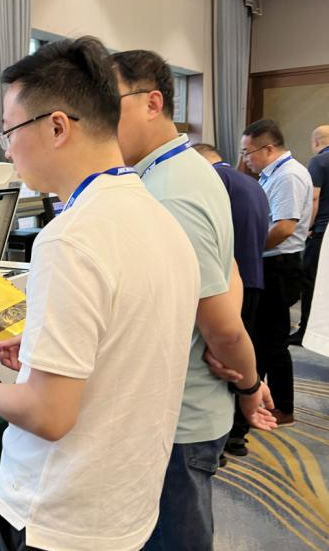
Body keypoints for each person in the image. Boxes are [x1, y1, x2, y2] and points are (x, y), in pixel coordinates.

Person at [0, 36, 201, 551]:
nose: (6, 148)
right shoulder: (158, 217)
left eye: (9, 131)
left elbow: (49, 416)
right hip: (125, 500)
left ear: (57, 126)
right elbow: (126, 343)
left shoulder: (70, 238)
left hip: (60, 514)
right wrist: (42, 353)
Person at [110, 50, 276, 551]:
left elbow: (221, 325)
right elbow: (229, 273)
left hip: (178, 415)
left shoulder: (169, 191)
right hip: (181, 401)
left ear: (152, 102)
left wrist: (249, 383)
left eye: (109, 103)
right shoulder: (183, 169)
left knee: (175, 537)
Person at [191, 143, 270, 459]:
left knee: (221, 359)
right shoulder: (253, 182)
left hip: (225, 284)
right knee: (239, 351)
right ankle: (237, 435)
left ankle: (227, 437)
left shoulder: (213, 181)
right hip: (253, 277)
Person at [241, 118, 313, 426]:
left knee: (273, 342)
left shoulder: (288, 175)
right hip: (273, 263)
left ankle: (283, 408)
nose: (245, 159)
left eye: (248, 152)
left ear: (268, 149)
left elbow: (284, 227)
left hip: (279, 266)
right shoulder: (275, 174)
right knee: (263, 338)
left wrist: (250, 251)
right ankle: (264, 401)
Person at [290, 125, 329, 344]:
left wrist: (307, 227)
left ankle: (306, 331)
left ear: (315, 142)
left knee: (311, 282)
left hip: (322, 232)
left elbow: (314, 197)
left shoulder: (319, 162)